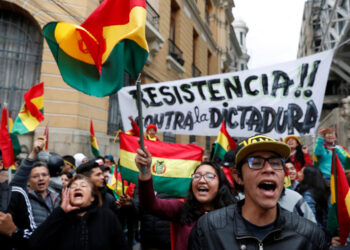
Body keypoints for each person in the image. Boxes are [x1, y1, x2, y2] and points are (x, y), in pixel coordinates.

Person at [189, 135, 327, 250]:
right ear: (238, 177)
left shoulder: (309, 236)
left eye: (276, 163)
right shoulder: (208, 231)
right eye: (256, 163)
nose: (269, 169)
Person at [135, 148, 235, 250]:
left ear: (220, 184)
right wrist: (145, 172)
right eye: (197, 176)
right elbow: (150, 204)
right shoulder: (181, 209)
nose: (201, 180)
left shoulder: (233, 215)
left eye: (209, 176)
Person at [28, 174, 125, 250]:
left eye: (83, 186)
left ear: (92, 197)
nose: (78, 188)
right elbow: (33, 245)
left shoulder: (107, 217)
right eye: (73, 187)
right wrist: (60, 212)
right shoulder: (59, 218)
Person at [296, 166, 330, 231]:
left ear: (307, 177)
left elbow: (310, 219)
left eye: (301, 172)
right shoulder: (320, 190)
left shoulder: (308, 195)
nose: (298, 173)